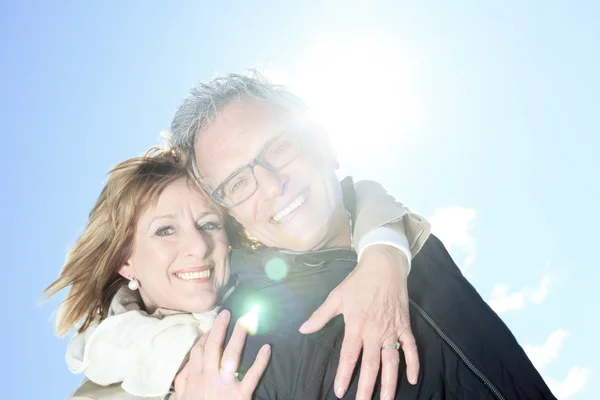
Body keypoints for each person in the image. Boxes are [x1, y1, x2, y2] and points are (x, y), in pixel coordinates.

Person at [166, 72, 556, 399]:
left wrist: (386, 248)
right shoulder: (246, 343)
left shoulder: (412, 245)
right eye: (237, 184)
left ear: (324, 144)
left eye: (279, 147)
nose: (270, 185)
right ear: (233, 219)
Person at [50, 147, 427, 399]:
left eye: (209, 224)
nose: (197, 247)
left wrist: (385, 253)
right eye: (165, 230)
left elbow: (350, 201)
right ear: (125, 261)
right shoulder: (105, 384)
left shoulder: (275, 291)